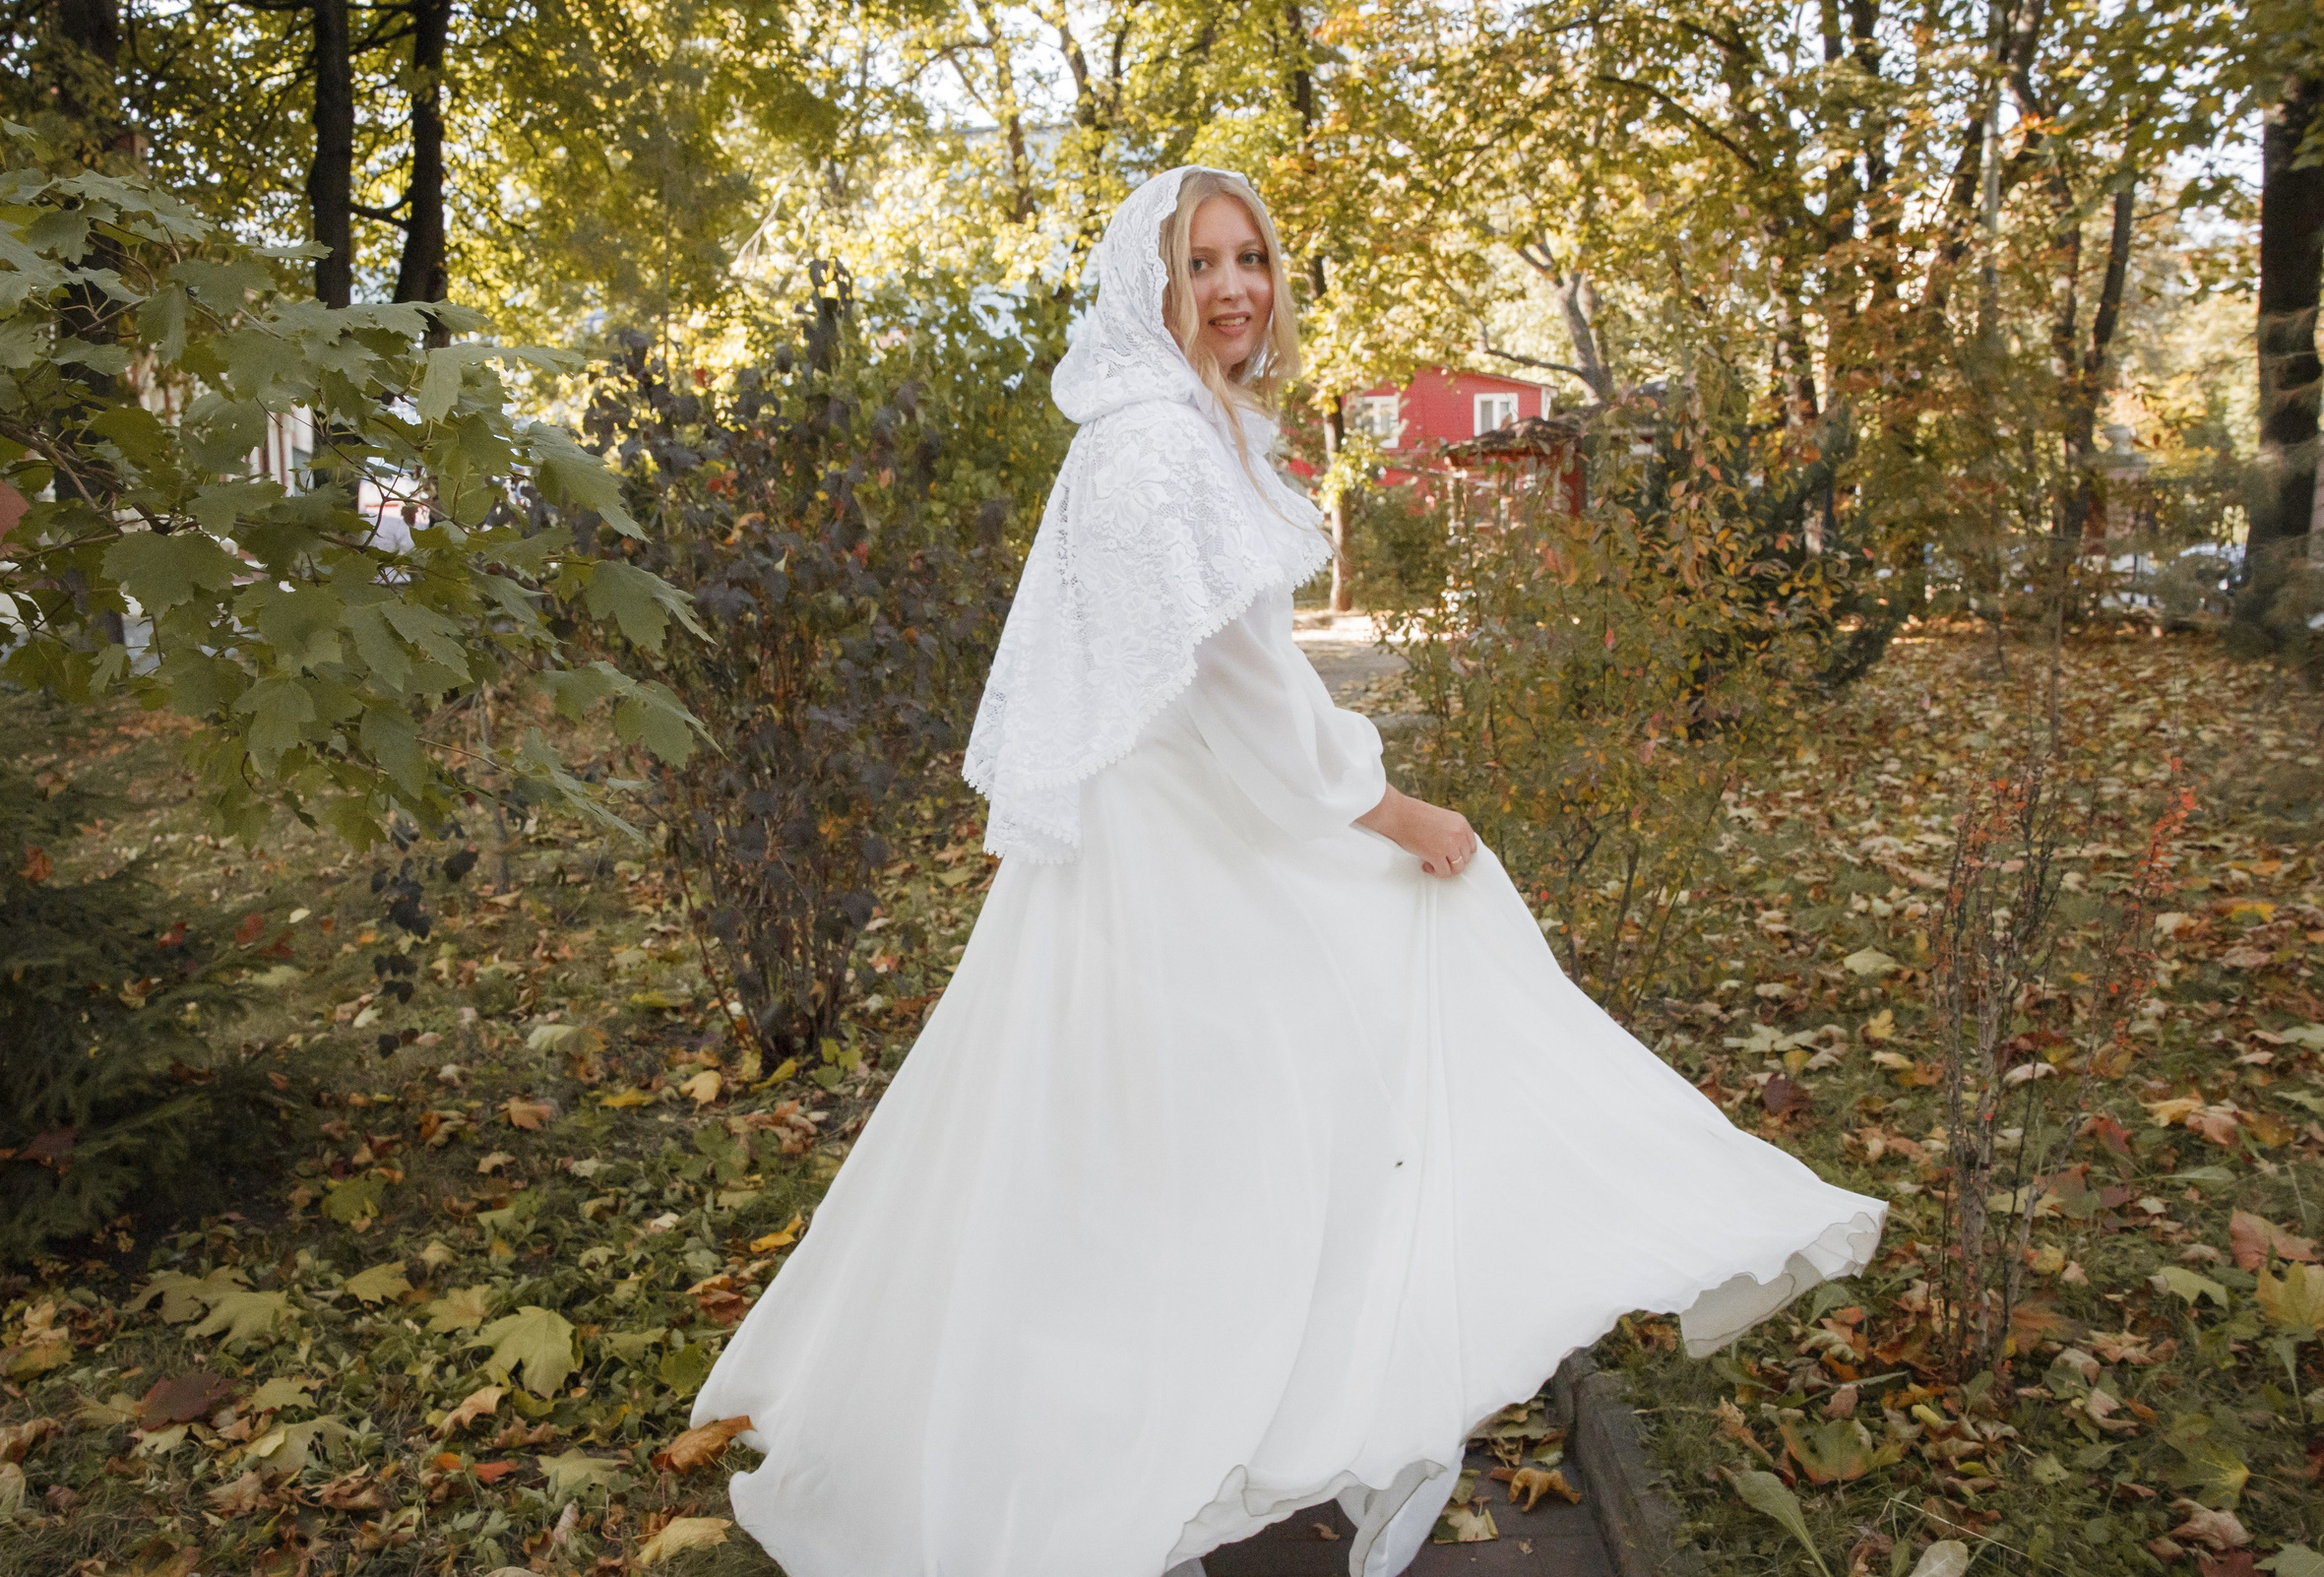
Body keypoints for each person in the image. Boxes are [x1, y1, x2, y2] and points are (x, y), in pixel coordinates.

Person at [688, 165, 1885, 1577]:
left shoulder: (1194, 427)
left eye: (1251, 256)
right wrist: (1384, 807)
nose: (1239, 285)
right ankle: (1145, 1442)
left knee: (1175, 1132)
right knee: (1200, 1109)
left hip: (1189, 822)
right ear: (1155, 287)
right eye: (1205, 264)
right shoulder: (1151, 445)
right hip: (1174, 848)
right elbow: (1235, 675)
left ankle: (1232, 1403)